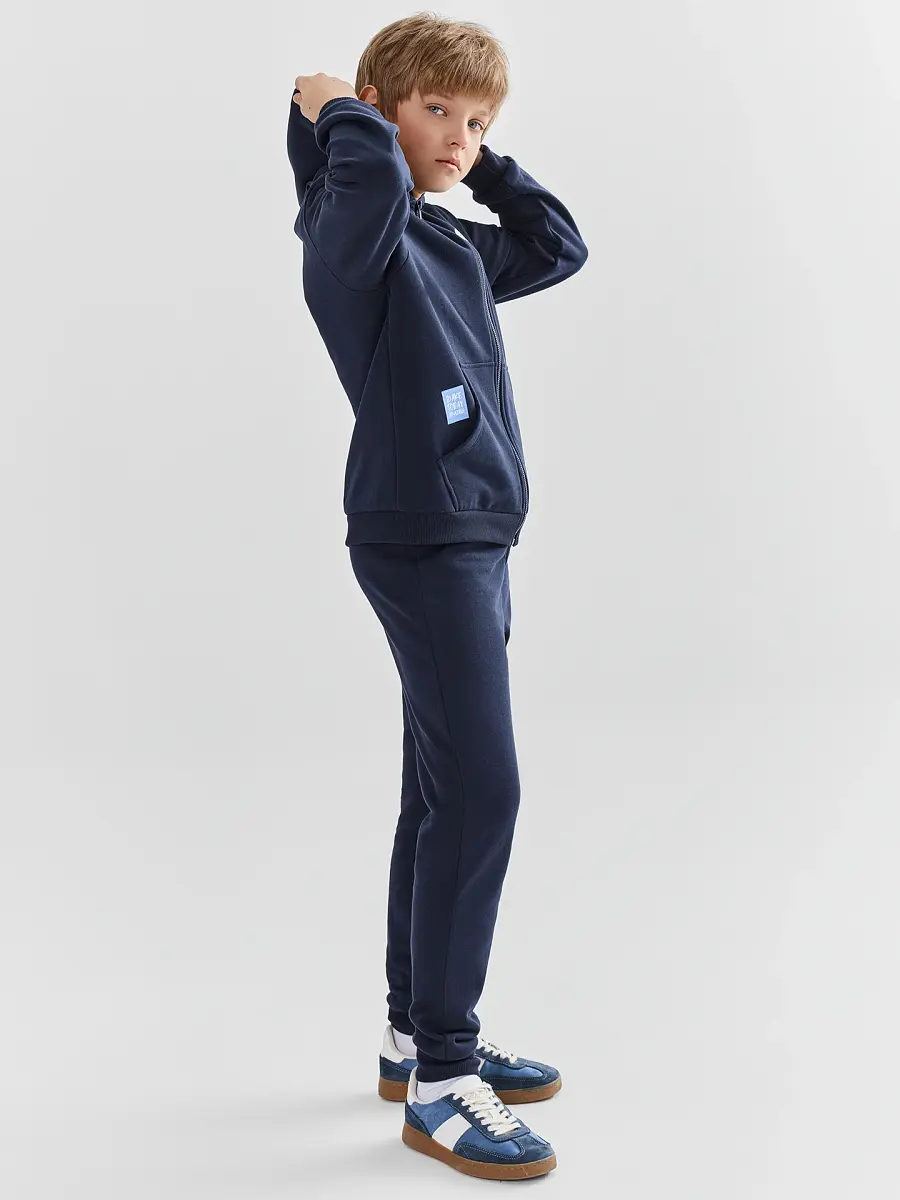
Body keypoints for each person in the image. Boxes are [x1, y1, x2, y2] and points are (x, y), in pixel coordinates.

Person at [286, 12, 588, 1180]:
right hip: (422, 537)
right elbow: (361, 176)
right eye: (437, 112)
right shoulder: (349, 234)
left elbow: (557, 244)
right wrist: (335, 109)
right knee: (483, 789)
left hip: (476, 536)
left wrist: (483, 160)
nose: (460, 137)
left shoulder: (449, 242)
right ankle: (444, 1083)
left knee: (442, 787)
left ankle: (417, 1034)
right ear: (378, 111)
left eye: (480, 121)